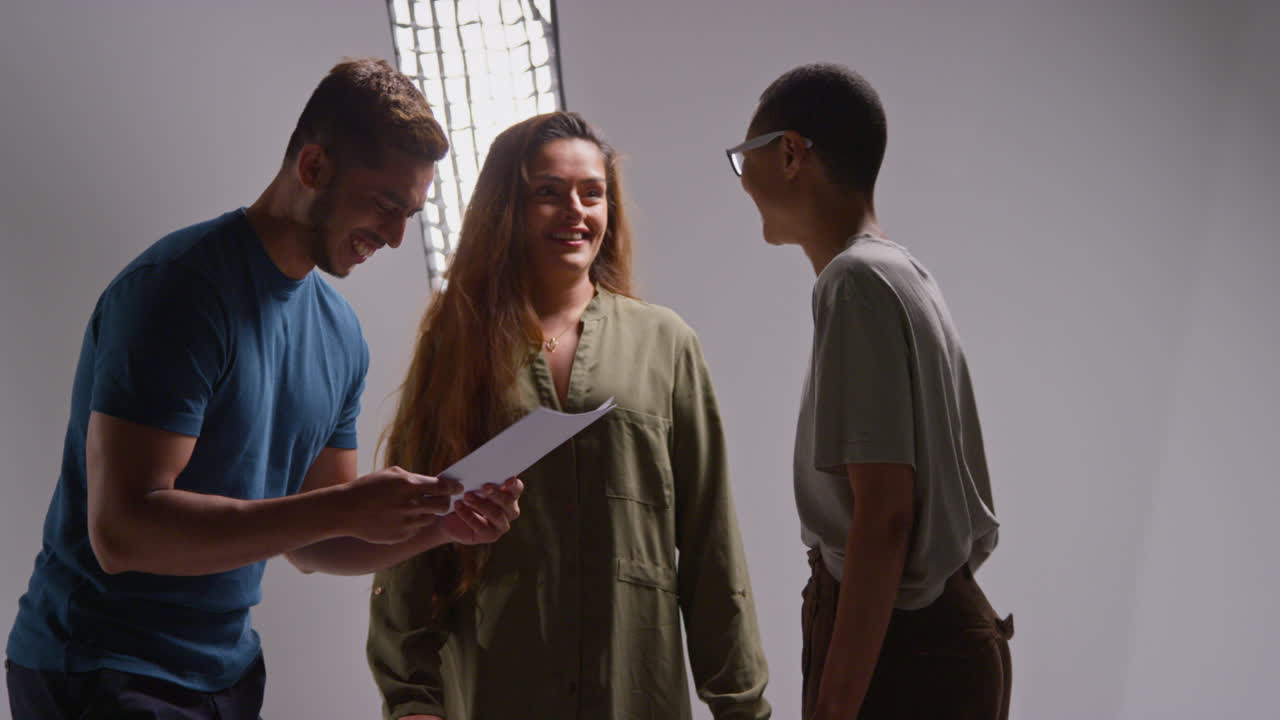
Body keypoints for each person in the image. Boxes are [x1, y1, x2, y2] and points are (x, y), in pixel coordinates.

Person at [5, 57, 522, 720]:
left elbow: (315, 542)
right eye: (385, 206)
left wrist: (439, 525)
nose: (395, 237)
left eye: (410, 215)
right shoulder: (179, 293)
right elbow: (124, 532)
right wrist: (341, 509)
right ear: (313, 168)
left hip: (228, 673)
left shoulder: (340, 337)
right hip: (104, 670)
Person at [367, 111, 771, 720]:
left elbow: (712, 541)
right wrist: (412, 698)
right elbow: (408, 528)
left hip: (637, 691)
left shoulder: (666, 343)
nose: (575, 212)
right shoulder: (458, 340)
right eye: (548, 194)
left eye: (593, 193)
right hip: (499, 686)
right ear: (509, 208)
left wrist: (740, 705)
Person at [728, 63, 1013, 719]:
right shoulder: (903, 271)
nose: (742, 182)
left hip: (905, 650)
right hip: (945, 631)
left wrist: (833, 706)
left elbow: (884, 516)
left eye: (745, 160)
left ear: (791, 153)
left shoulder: (853, 283)